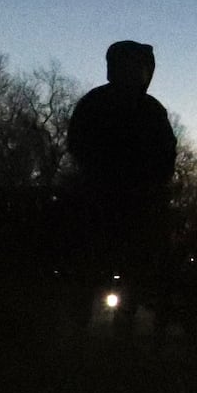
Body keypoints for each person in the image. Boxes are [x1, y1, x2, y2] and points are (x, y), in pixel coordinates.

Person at [66, 40, 178, 329]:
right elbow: (165, 156)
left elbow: (166, 155)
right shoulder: (129, 107)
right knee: (107, 270)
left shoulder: (139, 108)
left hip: (120, 205)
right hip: (115, 205)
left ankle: (110, 329)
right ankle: (103, 329)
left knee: (120, 273)